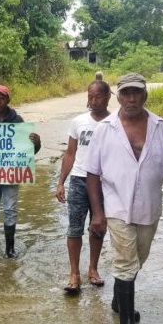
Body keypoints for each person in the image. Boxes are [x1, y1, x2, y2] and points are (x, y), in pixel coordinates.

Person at [85, 73, 163, 324]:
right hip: (116, 207)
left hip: (149, 207)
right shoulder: (104, 129)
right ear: (118, 97)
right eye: (126, 93)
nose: (131, 98)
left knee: (138, 258)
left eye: (136, 93)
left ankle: (119, 301)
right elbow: (92, 174)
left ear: (145, 95)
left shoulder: (159, 126)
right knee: (126, 261)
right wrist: (97, 213)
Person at [56, 79, 112, 294]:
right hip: (79, 180)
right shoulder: (78, 121)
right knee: (74, 228)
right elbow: (70, 153)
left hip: (104, 182)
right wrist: (61, 182)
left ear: (108, 97)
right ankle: (74, 274)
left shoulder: (115, 122)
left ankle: (93, 269)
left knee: (98, 226)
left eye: (98, 97)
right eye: (90, 96)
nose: (93, 101)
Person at [0, 85, 42, 259]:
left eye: (2, 98)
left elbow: (27, 152)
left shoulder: (17, 121)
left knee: (10, 209)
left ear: (8, 100)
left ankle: (9, 248)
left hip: (11, 174)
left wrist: (36, 143)